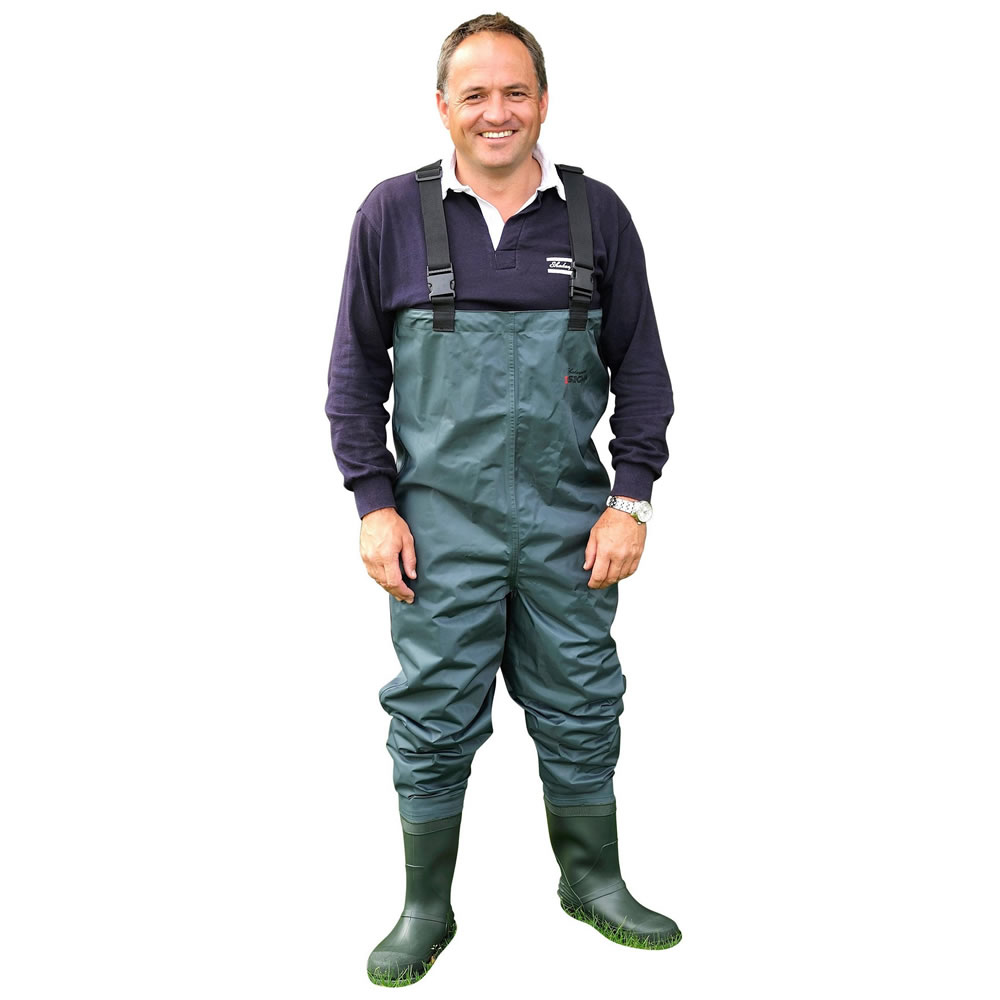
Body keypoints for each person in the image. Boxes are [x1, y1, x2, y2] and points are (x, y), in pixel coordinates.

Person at [325, 12, 680, 986]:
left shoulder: (596, 215)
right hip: (438, 529)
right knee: (433, 709)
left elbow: (642, 370)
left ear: (544, 102)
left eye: (515, 91)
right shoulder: (393, 214)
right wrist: (373, 504)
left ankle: (592, 880)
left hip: (571, 524)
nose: (496, 111)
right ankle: (425, 907)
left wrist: (631, 500)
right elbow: (353, 376)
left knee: (582, 698)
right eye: (474, 93)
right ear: (442, 106)